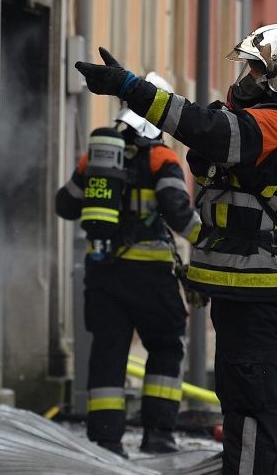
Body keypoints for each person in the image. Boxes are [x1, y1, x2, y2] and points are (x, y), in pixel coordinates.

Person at [75, 25, 277, 474]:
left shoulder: (276, 124)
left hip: (260, 295)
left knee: (250, 417)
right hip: (251, 293)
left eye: (253, 68)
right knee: (259, 407)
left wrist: (129, 88)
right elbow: (210, 148)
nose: (244, 78)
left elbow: (206, 130)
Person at [54, 74, 203, 458]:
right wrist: (212, 242)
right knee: (166, 346)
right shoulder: (162, 158)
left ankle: (106, 440)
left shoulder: (99, 158)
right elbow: (178, 213)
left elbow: (65, 205)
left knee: (108, 351)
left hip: (103, 272)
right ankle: (158, 434)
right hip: (151, 276)